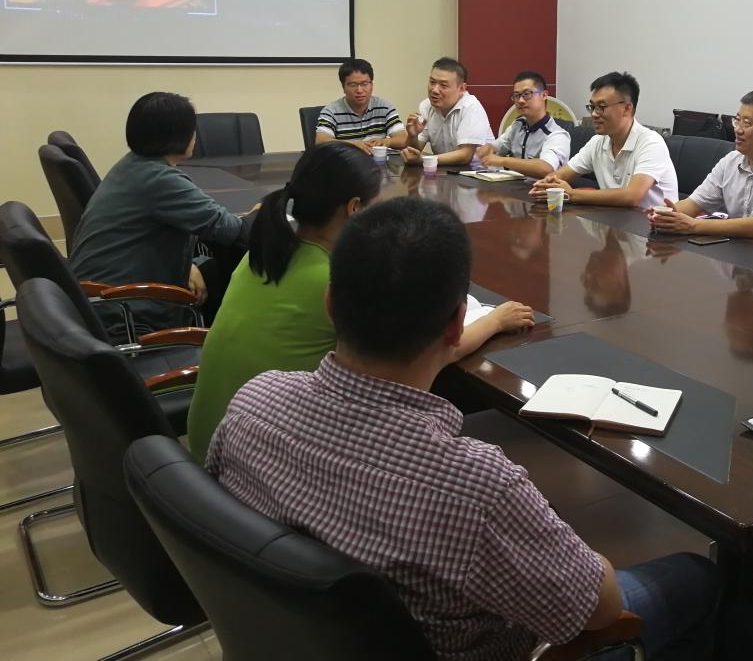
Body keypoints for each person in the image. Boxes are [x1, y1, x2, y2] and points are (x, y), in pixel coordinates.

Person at [207, 197, 720, 660]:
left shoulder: (253, 402)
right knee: (699, 578)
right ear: (457, 325)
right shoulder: (473, 487)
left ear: (330, 304)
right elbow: (601, 611)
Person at [186, 144, 535, 460]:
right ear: (355, 208)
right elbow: (432, 349)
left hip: (213, 442)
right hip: (255, 454)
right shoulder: (333, 279)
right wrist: (495, 320)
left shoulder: (265, 252)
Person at [69, 91, 248, 333]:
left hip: (96, 299)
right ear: (178, 135)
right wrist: (262, 213)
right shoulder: (159, 180)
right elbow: (229, 229)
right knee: (235, 270)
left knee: (213, 270)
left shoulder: (132, 166)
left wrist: (187, 265)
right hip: (123, 312)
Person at [647, 87, 753, 240]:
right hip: (741, 251)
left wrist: (693, 225)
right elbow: (695, 204)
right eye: (737, 120)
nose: (738, 129)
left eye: (747, 123)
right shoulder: (731, 161)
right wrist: (665, 215)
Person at [530, 71, 677, 209]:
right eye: (592, 107)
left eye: (601, 107)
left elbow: (632, 196)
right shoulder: (597, 142)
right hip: (612, 221)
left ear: (627, 108)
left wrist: (571, 194)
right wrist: (546, 184)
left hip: (650, 225)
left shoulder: (651, 143)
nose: (594, 114)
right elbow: (562, 174)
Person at [474, 71, 571, 179]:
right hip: (513, 186)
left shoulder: (557, 135)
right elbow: (497, 146)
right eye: (516, 95)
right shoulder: (518, 125)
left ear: (544, 95)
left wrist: (503, 161)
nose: (520, 100)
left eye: (527, 94)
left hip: (541, 188)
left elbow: (546, 168)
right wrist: (489, 148)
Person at [403, 57, 495, 167]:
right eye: (432, 82)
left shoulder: (471, 107)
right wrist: (412, 136)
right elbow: (414, 152)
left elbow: (465, 156)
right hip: (447, 171)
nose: (435, 90)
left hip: (481, 173)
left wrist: (425, 160)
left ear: (461, 88)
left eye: (443, 85)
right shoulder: (426, 106)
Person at [315, 58, 409, 153]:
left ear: (372, 85)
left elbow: (403, 139)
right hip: (346, 160)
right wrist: (352, 145)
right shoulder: (331, 111)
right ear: (343, 87)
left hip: (377, 160)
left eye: (364, 84)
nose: (359, 90)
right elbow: (321, 141)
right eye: (353, 85)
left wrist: (386, 142)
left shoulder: (385, 107)